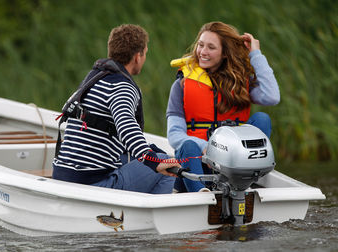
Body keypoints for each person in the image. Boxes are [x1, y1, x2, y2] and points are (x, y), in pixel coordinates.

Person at [53, 24, 180, 194]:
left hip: (63, 175)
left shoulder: (95, 78)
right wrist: (154, 161)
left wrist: (149, 151)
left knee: (140, 155)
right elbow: (126, 126)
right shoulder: (123, 87)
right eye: (145, 53)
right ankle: (150, 218)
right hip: (93, 184)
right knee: (167, 162)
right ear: (138, 56)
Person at [167, 21, 280, 192]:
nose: (203, 52)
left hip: (233, 165)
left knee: (262, 119)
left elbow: (272, 97)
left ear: (225, 53)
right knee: (187, 145)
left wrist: (256, 54)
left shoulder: (241, 84)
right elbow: (174, 135)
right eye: (201, 45)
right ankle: (201, 194)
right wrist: (206, 147)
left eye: (211, 47)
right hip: (198, 161)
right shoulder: (181, 85)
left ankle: (242, 184)